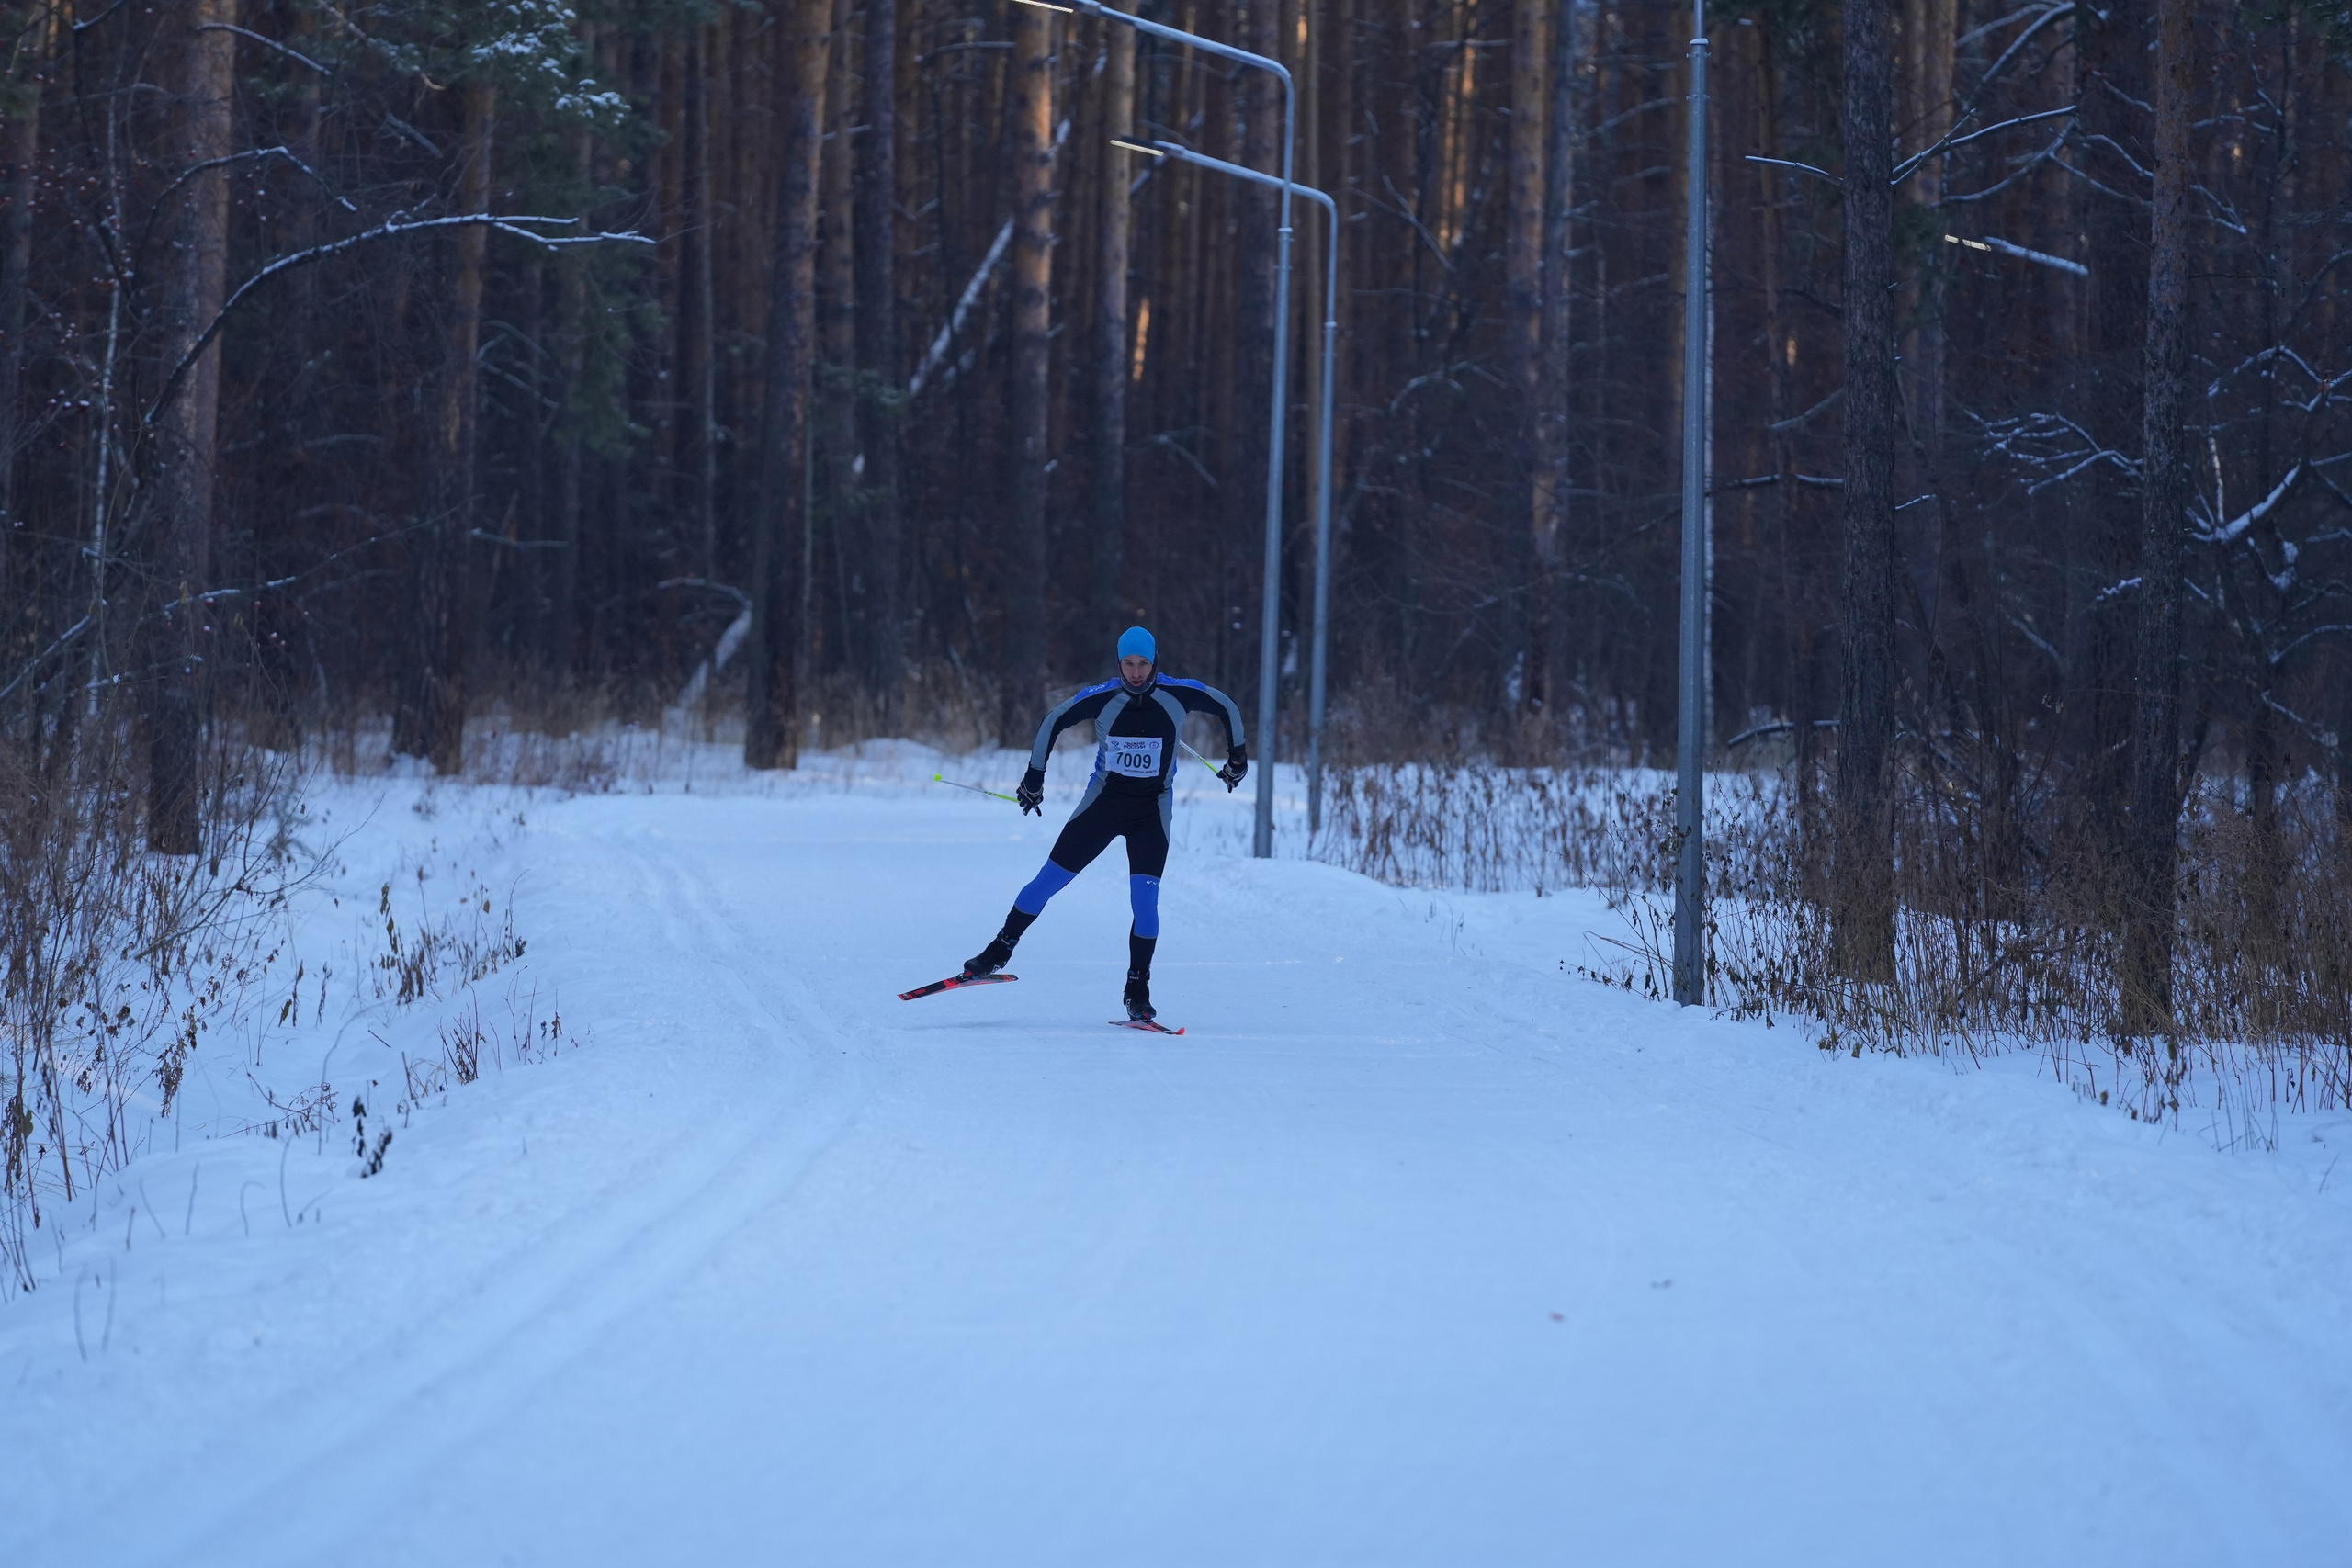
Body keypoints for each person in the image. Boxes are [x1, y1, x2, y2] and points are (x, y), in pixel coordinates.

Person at [960, 626, 1247, 1021]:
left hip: (1152, 811)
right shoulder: (1104, 697)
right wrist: (1033, 777)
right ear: (1119, 663)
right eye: (1128, 663)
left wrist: (1238, 758)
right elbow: (1053, 721)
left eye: (1143, 663)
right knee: (1048, 881)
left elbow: (1227, 706)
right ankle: (997, 951)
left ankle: (1137, 988)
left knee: (1145, 903)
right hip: (1104, 805)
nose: (1135, 672)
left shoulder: (1176, 694)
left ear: (1155, 661)